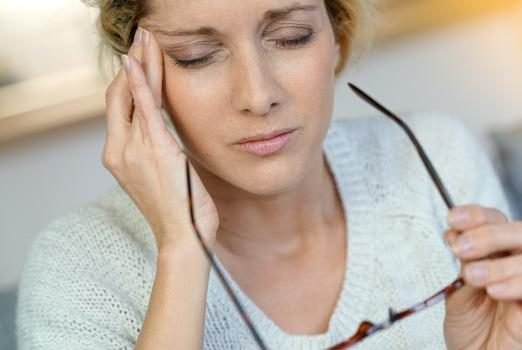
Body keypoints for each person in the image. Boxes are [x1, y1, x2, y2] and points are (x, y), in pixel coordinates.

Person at [16, 0, 522, 349]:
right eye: (197, 57)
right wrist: (182, 248)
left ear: (338, 33)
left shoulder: (439, 157)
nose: (258, 96)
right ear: (138, 78)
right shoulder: (78, 267)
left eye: (290, 37)